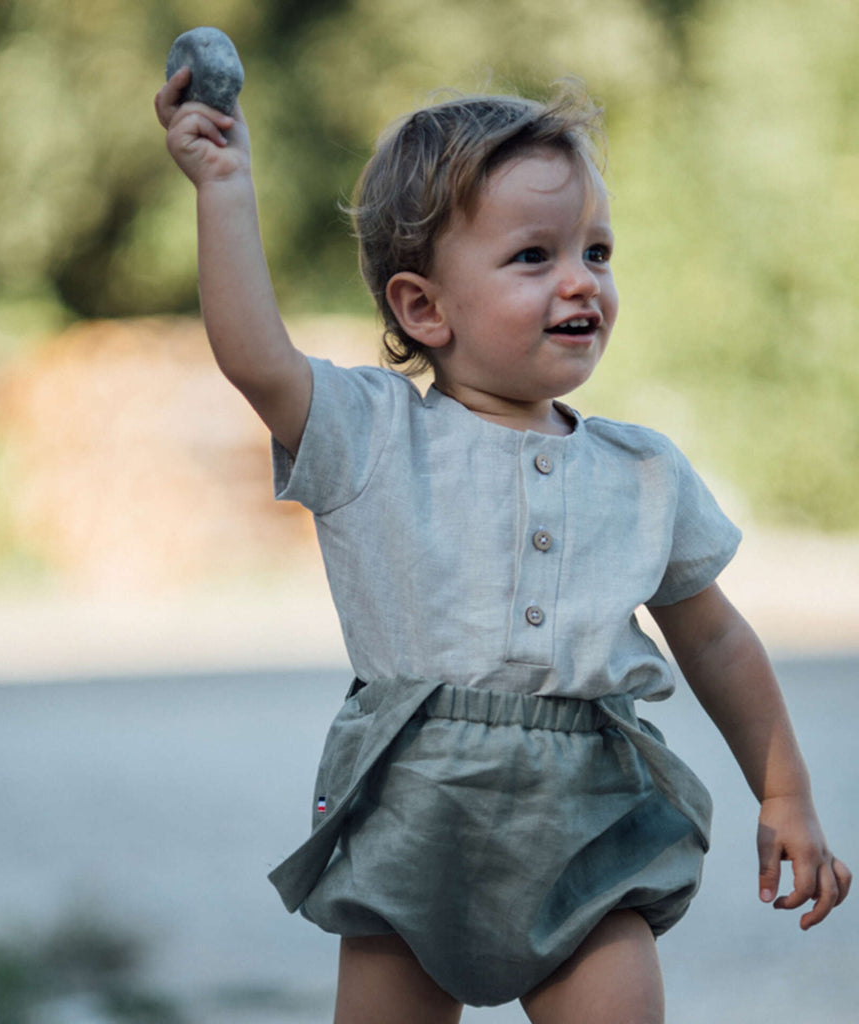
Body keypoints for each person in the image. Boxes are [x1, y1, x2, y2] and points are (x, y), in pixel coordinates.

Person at [154, 66, 851, 1024]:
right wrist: (224, 188)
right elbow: (253, 355)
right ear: (423, 309)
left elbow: (717, 642)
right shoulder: (372, 438)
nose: (582, 281)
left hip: (589, 833)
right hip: (413, 824)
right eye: (534, 256)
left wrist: (787, 795)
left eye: (597, 251)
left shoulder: (643, 472)